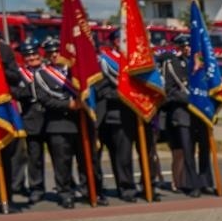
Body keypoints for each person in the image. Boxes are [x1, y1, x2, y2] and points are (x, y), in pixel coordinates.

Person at [31, 37, 86, 208]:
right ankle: (65, 193)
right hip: (58, 123)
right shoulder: (41, 75)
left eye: (57, 51)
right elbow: (44, 99)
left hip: (81, 121)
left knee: (86, 160)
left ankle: (89, 190)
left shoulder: (76, 71)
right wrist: (68, 105)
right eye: (50, 53)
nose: (54, 55)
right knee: (62, 162)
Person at [157, 39, 203, 197]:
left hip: (197, 113)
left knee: (192, 150)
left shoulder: (197, 63)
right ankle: (189, 184)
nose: (188, 48)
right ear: (179, 48)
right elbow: (169, 91)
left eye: (189, 45)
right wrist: (189, 99)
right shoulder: (172, 64)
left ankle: (193, 181)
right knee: (184, 150)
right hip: (180, 113)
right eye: (184, 46)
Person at [93, 50, 140, 202]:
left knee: (123, 156)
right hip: (98, 118)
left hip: (121, 116)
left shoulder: (132, 60)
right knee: (95, 158)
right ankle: (96, 191)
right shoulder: (103, 61)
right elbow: (100, 88)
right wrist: (121, 93)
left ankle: (126, 189)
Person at [9, 39, 44, 203]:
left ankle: (66, 185)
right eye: (28, 56)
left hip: (51, 118)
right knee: (34, 157)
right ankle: (36, 188)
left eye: (34, 54)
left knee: (60, 157)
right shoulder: (19, 74)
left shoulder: (49, 70)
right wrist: (32, 89)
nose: (32, 58)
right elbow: (15, 92)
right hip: (31, 117)